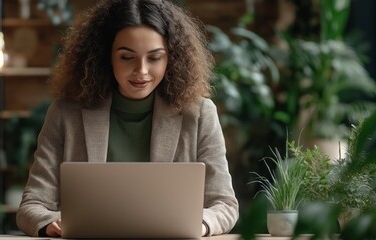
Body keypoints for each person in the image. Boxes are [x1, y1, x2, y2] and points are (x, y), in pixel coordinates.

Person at [16, 0, 238, 237]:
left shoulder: (200, 114)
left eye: (154, 58)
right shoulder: (65, 114)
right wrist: (50, 223)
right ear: (106, 56)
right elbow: (32, 206)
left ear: (171, 59)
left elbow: (224, 204)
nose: (141, 70)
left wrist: (200, 224)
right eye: (126, 57)